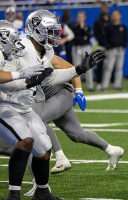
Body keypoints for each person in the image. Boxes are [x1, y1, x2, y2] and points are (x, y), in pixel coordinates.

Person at [0, 10, 103, 200]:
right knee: (25, 142)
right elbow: (4, 79)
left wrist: (77, 70)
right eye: (51, 31)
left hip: (23, 107)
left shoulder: (45, 51)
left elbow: (49, 79)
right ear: (37, 30)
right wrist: (27, 82)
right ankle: (13, 195)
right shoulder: (19, 48)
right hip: (6, 106)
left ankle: (42, 192)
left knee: (44, 147)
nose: (55, 36)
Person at [102, 10, 128, 91]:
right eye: (113, 15)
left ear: (120, 16)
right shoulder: (108, 27)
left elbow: (126, 38)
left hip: (120, 49)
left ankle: (117, 85)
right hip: (111, 49)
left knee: (119, 68)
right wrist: (108, 47)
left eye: (116, 15)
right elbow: (105, 38)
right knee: (108, 67)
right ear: (112, 16)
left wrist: (124, 46)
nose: (115, 16)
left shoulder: (123, 27)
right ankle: (105, 85)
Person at [72, 11, 94, 92]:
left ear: (84, 18)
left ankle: (90, 86)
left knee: (88, 67)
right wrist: (82, 37)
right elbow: (74, 38)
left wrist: (82, 29)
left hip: (86, 48)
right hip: (77, 48)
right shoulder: (74, 27)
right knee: (77, 69)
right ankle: (77, 88)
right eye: (79, 17)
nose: (80, 19)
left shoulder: (87, 27)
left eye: (81, 17)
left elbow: (88, 36)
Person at [94, 4, 111, 91]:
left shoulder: (111, 20)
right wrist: (104, 42)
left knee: (110, 66)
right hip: (101, 45)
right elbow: (96, 34)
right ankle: (99, 83)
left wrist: (110, 43)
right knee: (100, 65)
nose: (104, 10)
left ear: (107, 9)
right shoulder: (98, 21)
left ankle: (111, 82)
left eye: (105, 8)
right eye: (103, 9)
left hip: (110, 47)